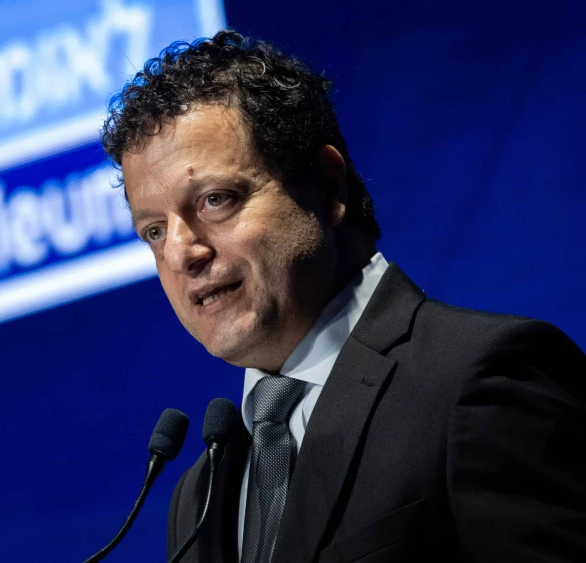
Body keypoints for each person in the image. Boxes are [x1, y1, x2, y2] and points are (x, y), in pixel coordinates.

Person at [100, 30, 586, 563]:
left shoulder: (479, 382)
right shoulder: (197, 497)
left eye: (216, 200)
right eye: (153, 231)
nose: (181, 253)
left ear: (329, 188)